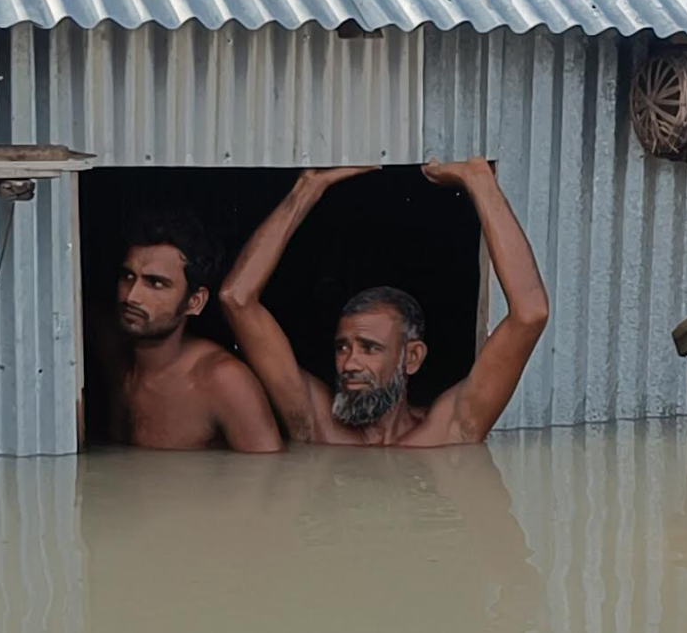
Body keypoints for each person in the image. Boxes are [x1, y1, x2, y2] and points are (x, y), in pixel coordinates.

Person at [218, 158, 549, 447]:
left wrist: (480, 181)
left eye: (369, 348)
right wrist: (306, 189)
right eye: (342, 347)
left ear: (412, 357)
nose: (349, 363)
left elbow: (530, 314)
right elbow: (237, 298)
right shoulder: (316, 427)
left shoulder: (450, 431)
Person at [90, 211, 283, 452]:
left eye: (156, 283)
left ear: (195, 302)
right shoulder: (112, 351)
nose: (132, 296)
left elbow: (269, 480)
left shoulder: (222, 380)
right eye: (128, 277)